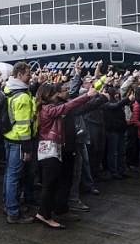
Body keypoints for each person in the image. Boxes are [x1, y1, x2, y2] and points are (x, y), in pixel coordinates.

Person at [34, 83, 97, 229]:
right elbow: (68, 106)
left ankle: (46, 213)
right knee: (49, 185)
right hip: (50, 151)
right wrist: (87, 96)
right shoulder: (48, 109)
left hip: (50, 150)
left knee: (51, 184)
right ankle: (44, 215)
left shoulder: (45, 108)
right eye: (54, 93)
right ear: (47, 95)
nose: (57, 95)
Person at [2, 62, 35, 224]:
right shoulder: (22, 96)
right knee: (14, 176)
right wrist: (27, 147)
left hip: (9, 137)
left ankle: (8, 205)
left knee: (9, 174)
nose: (31, 76)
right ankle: (14, 212)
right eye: (28, 74)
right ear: (20, 75)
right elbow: (23, 126)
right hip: (18, 141)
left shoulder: (9, 89)